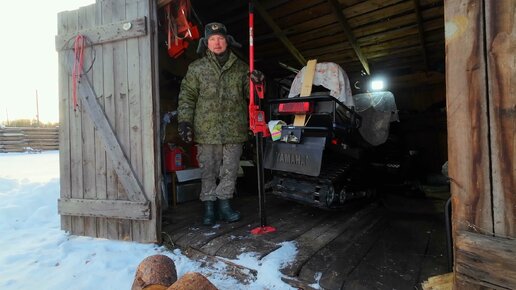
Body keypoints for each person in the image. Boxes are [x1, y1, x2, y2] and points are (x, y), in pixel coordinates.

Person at [177, 22, 263, 226]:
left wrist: (257, 83)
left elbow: (251, 97)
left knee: (230, 170)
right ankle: (209, 206)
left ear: (227, 41)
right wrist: (185, 121)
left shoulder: (242, 68)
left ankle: (224, 205)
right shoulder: (196, 68)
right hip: (206, 129)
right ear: (206, 43)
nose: (217, 43)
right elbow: (187, 97)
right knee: (208, 170)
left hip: (234, 129)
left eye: (220, 39)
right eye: (212, 39)